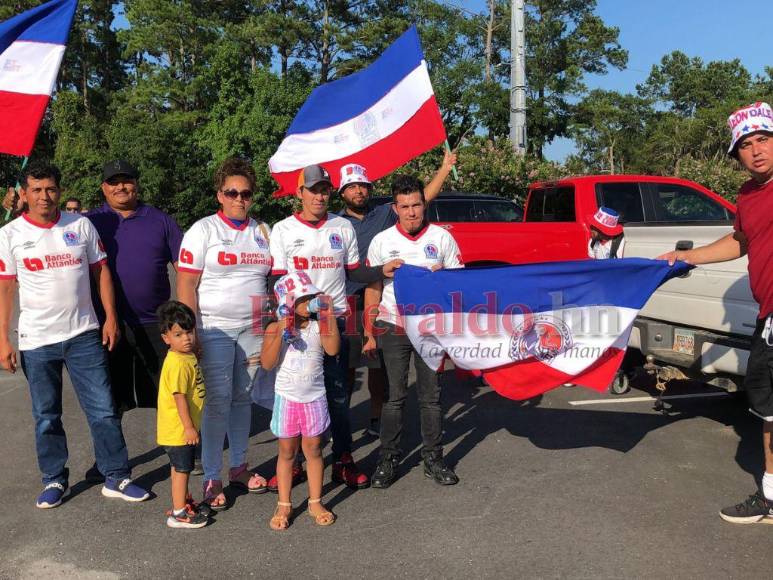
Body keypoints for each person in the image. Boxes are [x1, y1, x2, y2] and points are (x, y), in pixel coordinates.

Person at [0, 161, 149, 508]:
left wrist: (110, 317)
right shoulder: (9, 235)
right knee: (46, 416)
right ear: (25, 194)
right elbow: (5, 289)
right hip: (37, 341)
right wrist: (3, 338)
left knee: (103, 410)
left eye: (50, 189)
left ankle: (117, 475)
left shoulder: (80, 225)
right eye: (36, 190)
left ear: (60, 191)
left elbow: (101, 272)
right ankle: (54, 478)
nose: (44, 196)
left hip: (84, 334)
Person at [659, 101, 773, 523]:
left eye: (764, 139)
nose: (756, 150)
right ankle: (771, 496)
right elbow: (740, 240)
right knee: (768, 407)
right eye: (746, 145)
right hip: (769, 318)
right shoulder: (748, 195)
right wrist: (687, 257)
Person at [269, 165, 402, 490]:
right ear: (300, 192)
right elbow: (277, 280)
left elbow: (353, 272)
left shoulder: (342, 227)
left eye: (324, 190)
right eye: (313, 190)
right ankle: (294, 463)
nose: (320, 196)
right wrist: (294, 311)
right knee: (297, 395)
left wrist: (381, 270)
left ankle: (343, 459)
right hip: (300, 326)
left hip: (336, 322)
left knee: (339, 396)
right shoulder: (283, 229)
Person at [337, 150, 457, 437]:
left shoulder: (383, 214)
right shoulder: (335, 223)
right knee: (346, 369)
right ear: (342, 192)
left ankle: (376, 419)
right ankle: (341, 425)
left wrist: (444, 169)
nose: (358, 191)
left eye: (362, 185)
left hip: (379, 297)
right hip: (348, 300)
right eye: (352, 186)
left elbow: (418, 200)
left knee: (378, 367)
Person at [177, 157, 273, 510]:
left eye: (245, 193)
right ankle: (211, 476)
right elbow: (186, 285)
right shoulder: (203, 230)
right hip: (214, 329)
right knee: (217, 402)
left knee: (243, 397)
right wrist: (191, 333)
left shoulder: (263, 231)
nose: (239, 199)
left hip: (254, 328)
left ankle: (239, 467)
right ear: (220, 194)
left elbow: (274, 280)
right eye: (232, 192)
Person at [364, 174, 464, 489]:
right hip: (393, 325)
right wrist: (368, 331)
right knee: (393, 398)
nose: (411, 212)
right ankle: (387, 460)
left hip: (431, 328)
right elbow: (373, 288)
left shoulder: (442, 238)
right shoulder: (382, 241)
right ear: (395, 208)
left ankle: (434, 459)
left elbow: (460, 287)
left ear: (424, 204)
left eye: (416, 205)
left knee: (430, 397)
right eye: (405, 206)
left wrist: (443, 277)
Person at [87, 160, 183, 414]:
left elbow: (185, 272)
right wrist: (19, 211)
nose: (121, 187)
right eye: (113, 182)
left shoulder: (161, 221)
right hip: (106, 324)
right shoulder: (88, 222)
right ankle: (114, 444)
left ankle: (177, 440)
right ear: (103, 187)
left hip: (155, 324)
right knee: (110, 404)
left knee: (169, 397)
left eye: (126, 180)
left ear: (136, 184)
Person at [261, 273, 339, 530]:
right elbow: (267, 363)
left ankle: (315, 501)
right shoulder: (275, 328)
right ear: (287, 303)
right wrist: (282, 328)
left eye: (311, 297)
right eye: (302, 299)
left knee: (314, 448)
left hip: (314, 397)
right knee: (287, 451)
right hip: (287, 398)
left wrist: (328, 315)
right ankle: (284, 503)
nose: (309, 303)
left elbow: (333, 349)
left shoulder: (318, 326)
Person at [156, 300, 210, 529]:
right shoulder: (177, 364)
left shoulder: (185, 356)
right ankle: (178, 513)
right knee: (182, 469)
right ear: (166, 338)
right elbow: (179, 399)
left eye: (189, 332)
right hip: (179, 430)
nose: (186, 338)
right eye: (178, 334)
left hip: (180, 430)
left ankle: (182, 502)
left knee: (178, 468)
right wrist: (189, 428)